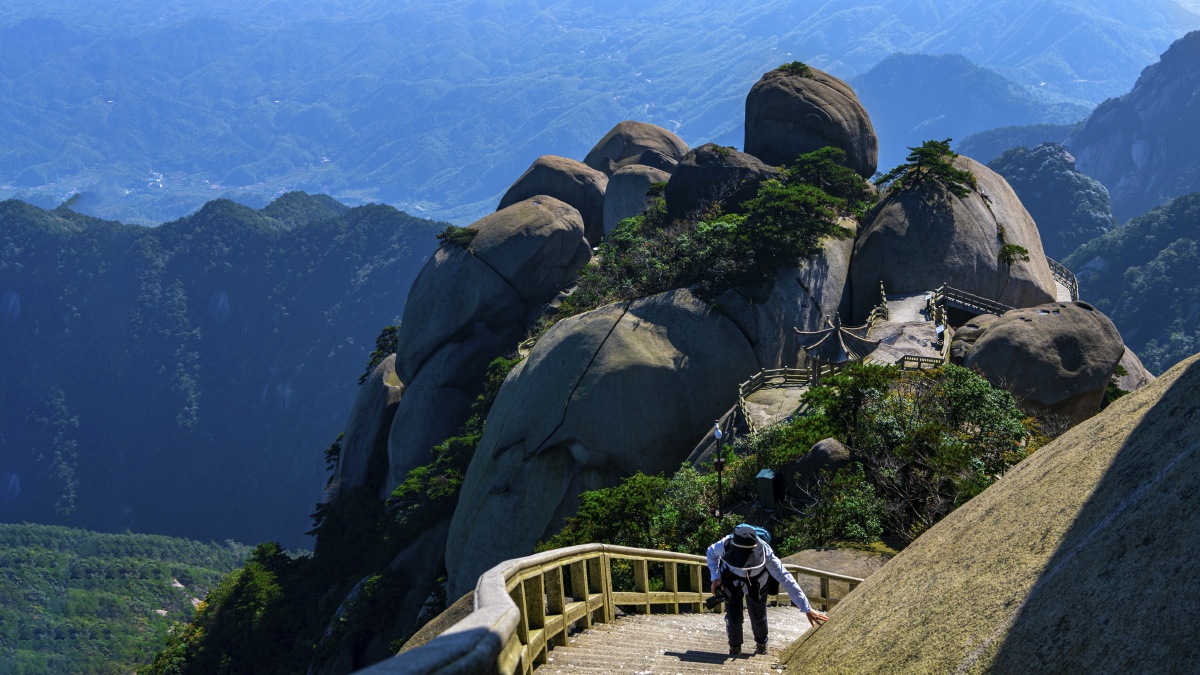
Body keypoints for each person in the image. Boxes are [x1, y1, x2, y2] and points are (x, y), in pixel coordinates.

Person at [706, 523, 829, 656]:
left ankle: (761, 644)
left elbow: (786, 579)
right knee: (733, 617)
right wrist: (716, 577)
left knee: (758, 616)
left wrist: (806, 608)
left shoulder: (766, 552)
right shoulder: (725, 544)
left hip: (757, 582)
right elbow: (711, 553)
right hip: (731, 580)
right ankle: (735, 648)